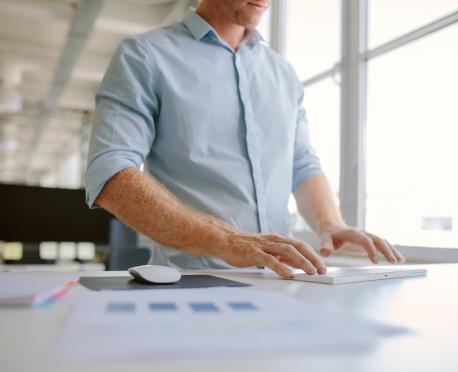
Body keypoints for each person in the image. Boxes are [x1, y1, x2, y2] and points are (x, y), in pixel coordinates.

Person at [84, 0, 404, 278]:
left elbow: (301, 163)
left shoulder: (284, 74)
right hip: (192, 282)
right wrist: (230, 242)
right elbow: (111, 173)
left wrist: (330, 224)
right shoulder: (144, 56)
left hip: (285, 282)